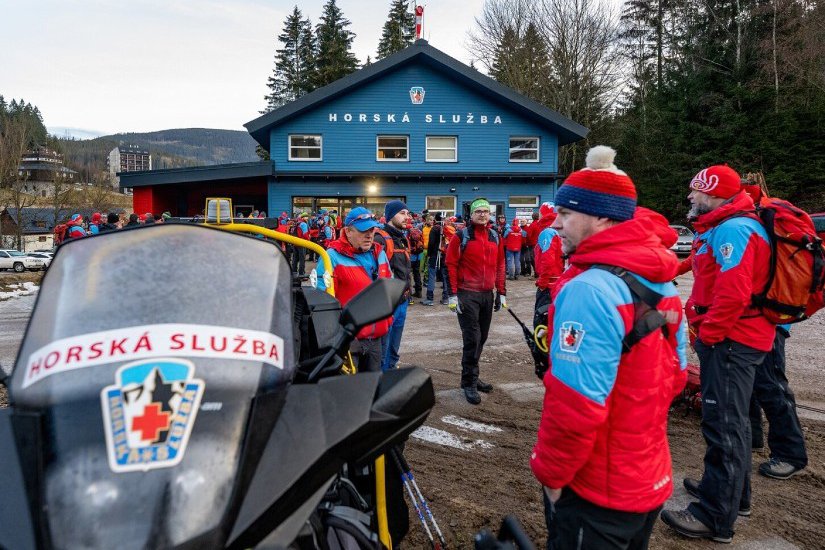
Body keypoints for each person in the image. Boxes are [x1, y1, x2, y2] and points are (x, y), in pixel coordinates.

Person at [531, 146, 686, 550]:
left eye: (566, 214)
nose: (557, 224)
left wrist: (551, 476)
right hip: (648, 478)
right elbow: (676, 373)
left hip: (598, 490)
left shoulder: (588, 288)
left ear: (600, 216)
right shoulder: (659, 275)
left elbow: (574, 404)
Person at [661, 165, 775, 543]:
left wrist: (707, 337)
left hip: (731, 343)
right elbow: (699, 267)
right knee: (734, 422)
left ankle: (714, 516)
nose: (691, 198)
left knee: (723, 425)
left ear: (717, 195)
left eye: (697, 192)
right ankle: (731, 494)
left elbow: (733, 294)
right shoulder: (724, 226)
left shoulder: (734, 230)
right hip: (735, 341)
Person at [314, 207, 393, 372]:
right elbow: (321, 301)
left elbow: (389, 288)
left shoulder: (379, 253)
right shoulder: (331, 257)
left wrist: (387, 321)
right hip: (348, 342)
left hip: (377, 337)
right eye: (363, 230)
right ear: (348, 232)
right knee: (349, 391)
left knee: (373, 389)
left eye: (372, 229)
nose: (369, 234)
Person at [445, 198, 506, 405]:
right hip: (466, 294)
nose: (483, 214)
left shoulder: (495, 236)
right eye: (478, 211)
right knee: (472, 338)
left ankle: (472, 375)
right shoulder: (461, 236)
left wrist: (502, 292)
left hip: (487, 294)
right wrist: (453, 295)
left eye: (486, 211)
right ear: (471, 215)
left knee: (482, 338)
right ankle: (468, 382)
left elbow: (500, 264)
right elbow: (450, 264)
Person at [374, 200, 413, 371]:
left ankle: (390, 373)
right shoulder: (380, 238)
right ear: (390, 216)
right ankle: (381, 381)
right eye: (402, 213)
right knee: (383, 348)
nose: (407, 217)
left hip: (402, 301)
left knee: (394, 348)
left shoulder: (402, 238)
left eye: (408, 213)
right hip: (387, 304)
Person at [533, 203, 563, 329]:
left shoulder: (547, 232)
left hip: (549, 285)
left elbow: (547, 260)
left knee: (542, 322)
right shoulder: (562, 230)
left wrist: (542, 282)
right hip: (561, 282)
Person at [422, 213, 450, 306]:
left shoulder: (434, 229)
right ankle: (446, 298)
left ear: (435, 219)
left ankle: (430, 298)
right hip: (445, 255)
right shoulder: (447, 228)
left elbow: (431, 243)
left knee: (431, 276)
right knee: (445, 277)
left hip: (434, 255)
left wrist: (429, 254)